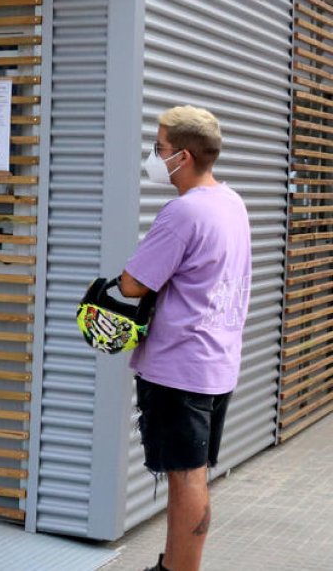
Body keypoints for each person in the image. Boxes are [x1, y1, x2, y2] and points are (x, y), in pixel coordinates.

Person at [117, 106, 251, 571]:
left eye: (161, 148)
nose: (155, 156)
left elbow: (134, 283)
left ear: (186, 157)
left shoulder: (184, 212)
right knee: (189, 473)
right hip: (216, 361)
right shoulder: (232, 202)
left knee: (188, 476)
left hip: (179, 366)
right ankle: (173, 564)